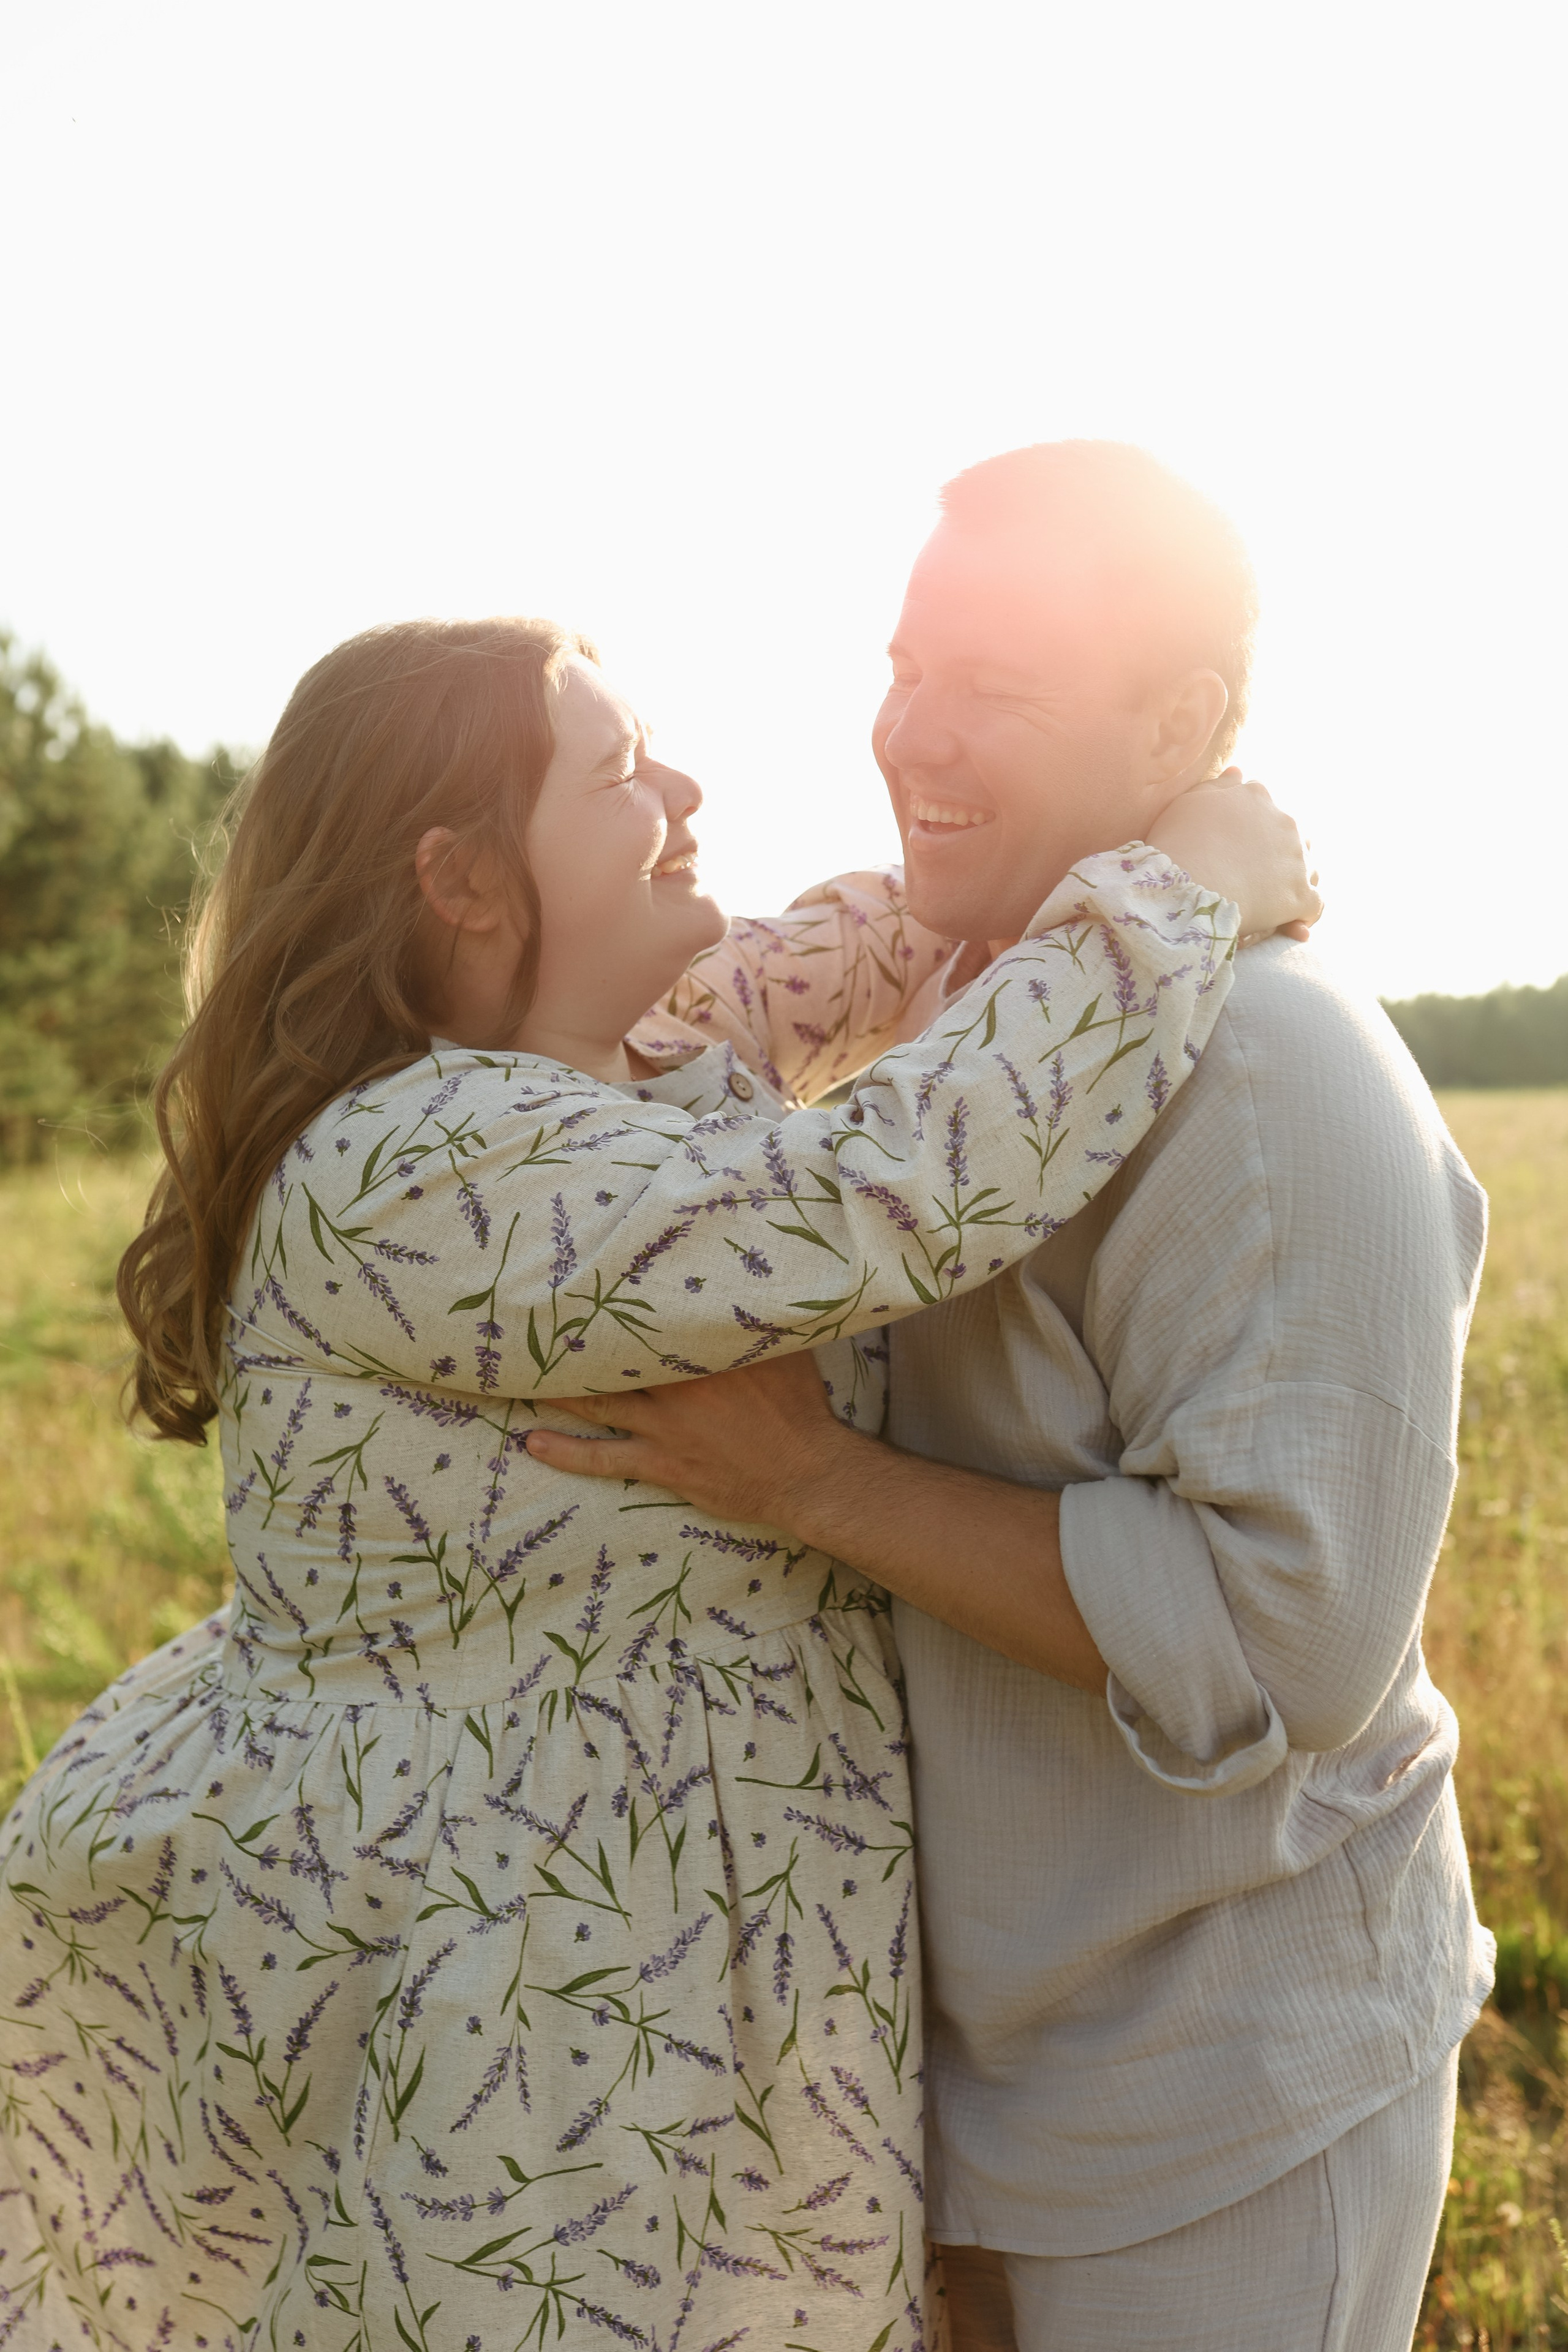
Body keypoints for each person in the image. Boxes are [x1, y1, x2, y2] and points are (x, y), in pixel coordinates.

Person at [0, 612, 1314, 2352]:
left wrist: (1009, 871)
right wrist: (1176, 888)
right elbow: (888, 1186)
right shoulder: (421, 1163)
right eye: (620, 775)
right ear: (463, 882)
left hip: (693, 1929)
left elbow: (813, 958)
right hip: (539, 1988)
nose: (684, 790)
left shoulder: (613, 1052)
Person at [529, 443, 1493, 2352]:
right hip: (957, 2092)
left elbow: (1292, 1638)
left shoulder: (1274, 1074)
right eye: (908, 664)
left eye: (999, 686)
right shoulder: (977, 1022)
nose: (916, 733)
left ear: (1182, 728)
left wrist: (807, 1479)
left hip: (1224, 2090)